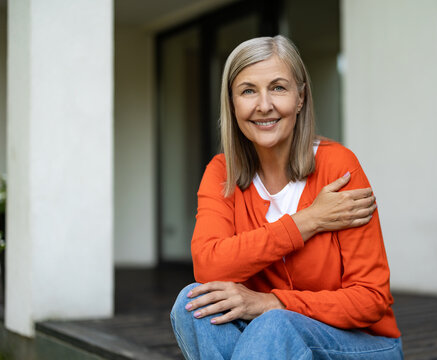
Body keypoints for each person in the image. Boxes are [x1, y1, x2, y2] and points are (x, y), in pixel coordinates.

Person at [170, 35, 402, 360]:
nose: (264, 105)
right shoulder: (222, 172)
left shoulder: (338, 167)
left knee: (275, 323)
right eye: (248, 90)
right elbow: (209, 267)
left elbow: (371, 299)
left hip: (360, 345)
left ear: (300, 98)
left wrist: (272, 303)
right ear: (232, 102)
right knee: (193, 304)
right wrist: (306, 222)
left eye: (278, 88)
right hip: (270, 344)